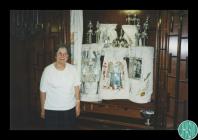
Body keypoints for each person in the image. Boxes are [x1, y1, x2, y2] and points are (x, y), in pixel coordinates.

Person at [40, 45, 81, 130]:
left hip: (69, 110)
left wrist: (78, 106)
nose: (62, 56)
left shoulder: (73, 69)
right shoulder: (47, 70)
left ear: (68, 56)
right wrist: (43, 109)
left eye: (65, 54)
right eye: (60, 53)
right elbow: (42, 91)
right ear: (55, 56)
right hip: (52, 110)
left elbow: (76, 88)